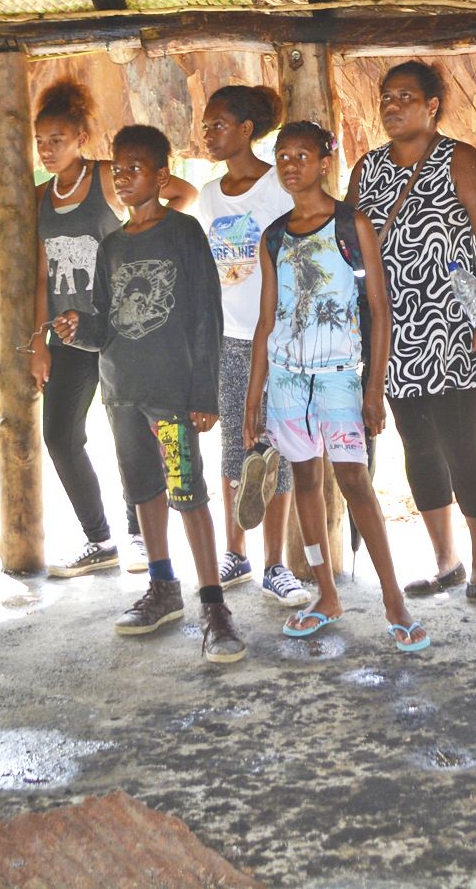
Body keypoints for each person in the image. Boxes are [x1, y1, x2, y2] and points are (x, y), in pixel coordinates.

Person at [51, 125, 244, 663]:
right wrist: (77, 328)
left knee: (188, 494)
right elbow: (104, 325)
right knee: (143, 493)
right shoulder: (111, 245)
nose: (122, 176)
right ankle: (163, 588)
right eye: (116, 168)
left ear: (161, 176)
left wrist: (204, 392)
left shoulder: (183, 232)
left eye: (134, 167)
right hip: (122, 394)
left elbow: (209, 314)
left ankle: (214, 605)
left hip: (171, 396)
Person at [242, 121, 429, 653]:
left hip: (340, 378)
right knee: (305, 483)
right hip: (286, 380)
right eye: (282, 155)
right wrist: (253, 397)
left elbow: (378, 309)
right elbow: (266, 320)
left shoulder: (351, 224)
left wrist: (374, 388)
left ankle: (394, 600)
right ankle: (326, 594)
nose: (290, 164)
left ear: (325, 161)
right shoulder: (274, 235)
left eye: (302, 154)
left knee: (354, 482)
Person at [348, 60, 476, 598]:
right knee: (417, 445)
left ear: (432, 105)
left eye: (405, 97)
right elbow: (349, 247)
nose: (391, 106)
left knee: (464, 444)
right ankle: (446, 562)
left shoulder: (461, 160)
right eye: (386, 96)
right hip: (391, 329)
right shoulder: (366, 168)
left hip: (453, 324)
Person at [29, 80, 195, 578]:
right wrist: (40, 341)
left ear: (82, 136)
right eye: (40, 141)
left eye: (58, 139)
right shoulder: (39, 197)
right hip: (70, 337)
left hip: (120, 330)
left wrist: (142, 237)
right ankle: (99, 539)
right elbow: (41, 274)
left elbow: (182, 192)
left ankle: (139, 534)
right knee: (59, 436)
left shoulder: (108, 178)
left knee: (131, 436)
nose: (48, 149)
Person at [192, 84, 308, 609]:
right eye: (206, 125)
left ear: (245, 130)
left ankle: (274, 564)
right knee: (232, 450)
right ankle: (234, 552)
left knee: (274, 447)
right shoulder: (210, 195)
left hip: (278, 340)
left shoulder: (277, 189)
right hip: (227, 338)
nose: (208, 132)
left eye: (218, 124)